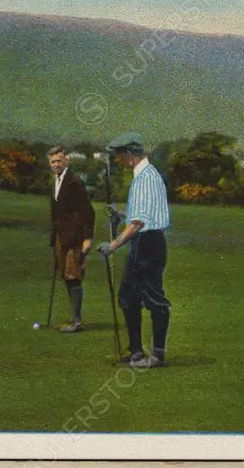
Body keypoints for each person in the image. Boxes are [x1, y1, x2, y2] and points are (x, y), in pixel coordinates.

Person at [98, 133, 171, 368]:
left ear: (130, 156)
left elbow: (139, 222)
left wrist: (113, 245)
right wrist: (121, 215)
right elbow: (140, 214)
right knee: (128, 298)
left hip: (148, 245)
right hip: (143, 244)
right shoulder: (143, 175)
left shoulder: (146, 178)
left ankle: (157, 355)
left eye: (120, 156)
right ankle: (136, 351)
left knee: (154, 299)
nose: (118, 161)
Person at [47, 146, 95, 333]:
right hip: (61, 237)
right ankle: (75, 319)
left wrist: (87, 238)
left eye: (59, 160)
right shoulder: (56, 182)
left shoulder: (74, 182)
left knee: (73, 275)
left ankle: (76, 321)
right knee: (66, 276)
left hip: (74, 237)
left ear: (67, 160)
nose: (56, 164)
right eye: (53, 162)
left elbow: (87, 211)